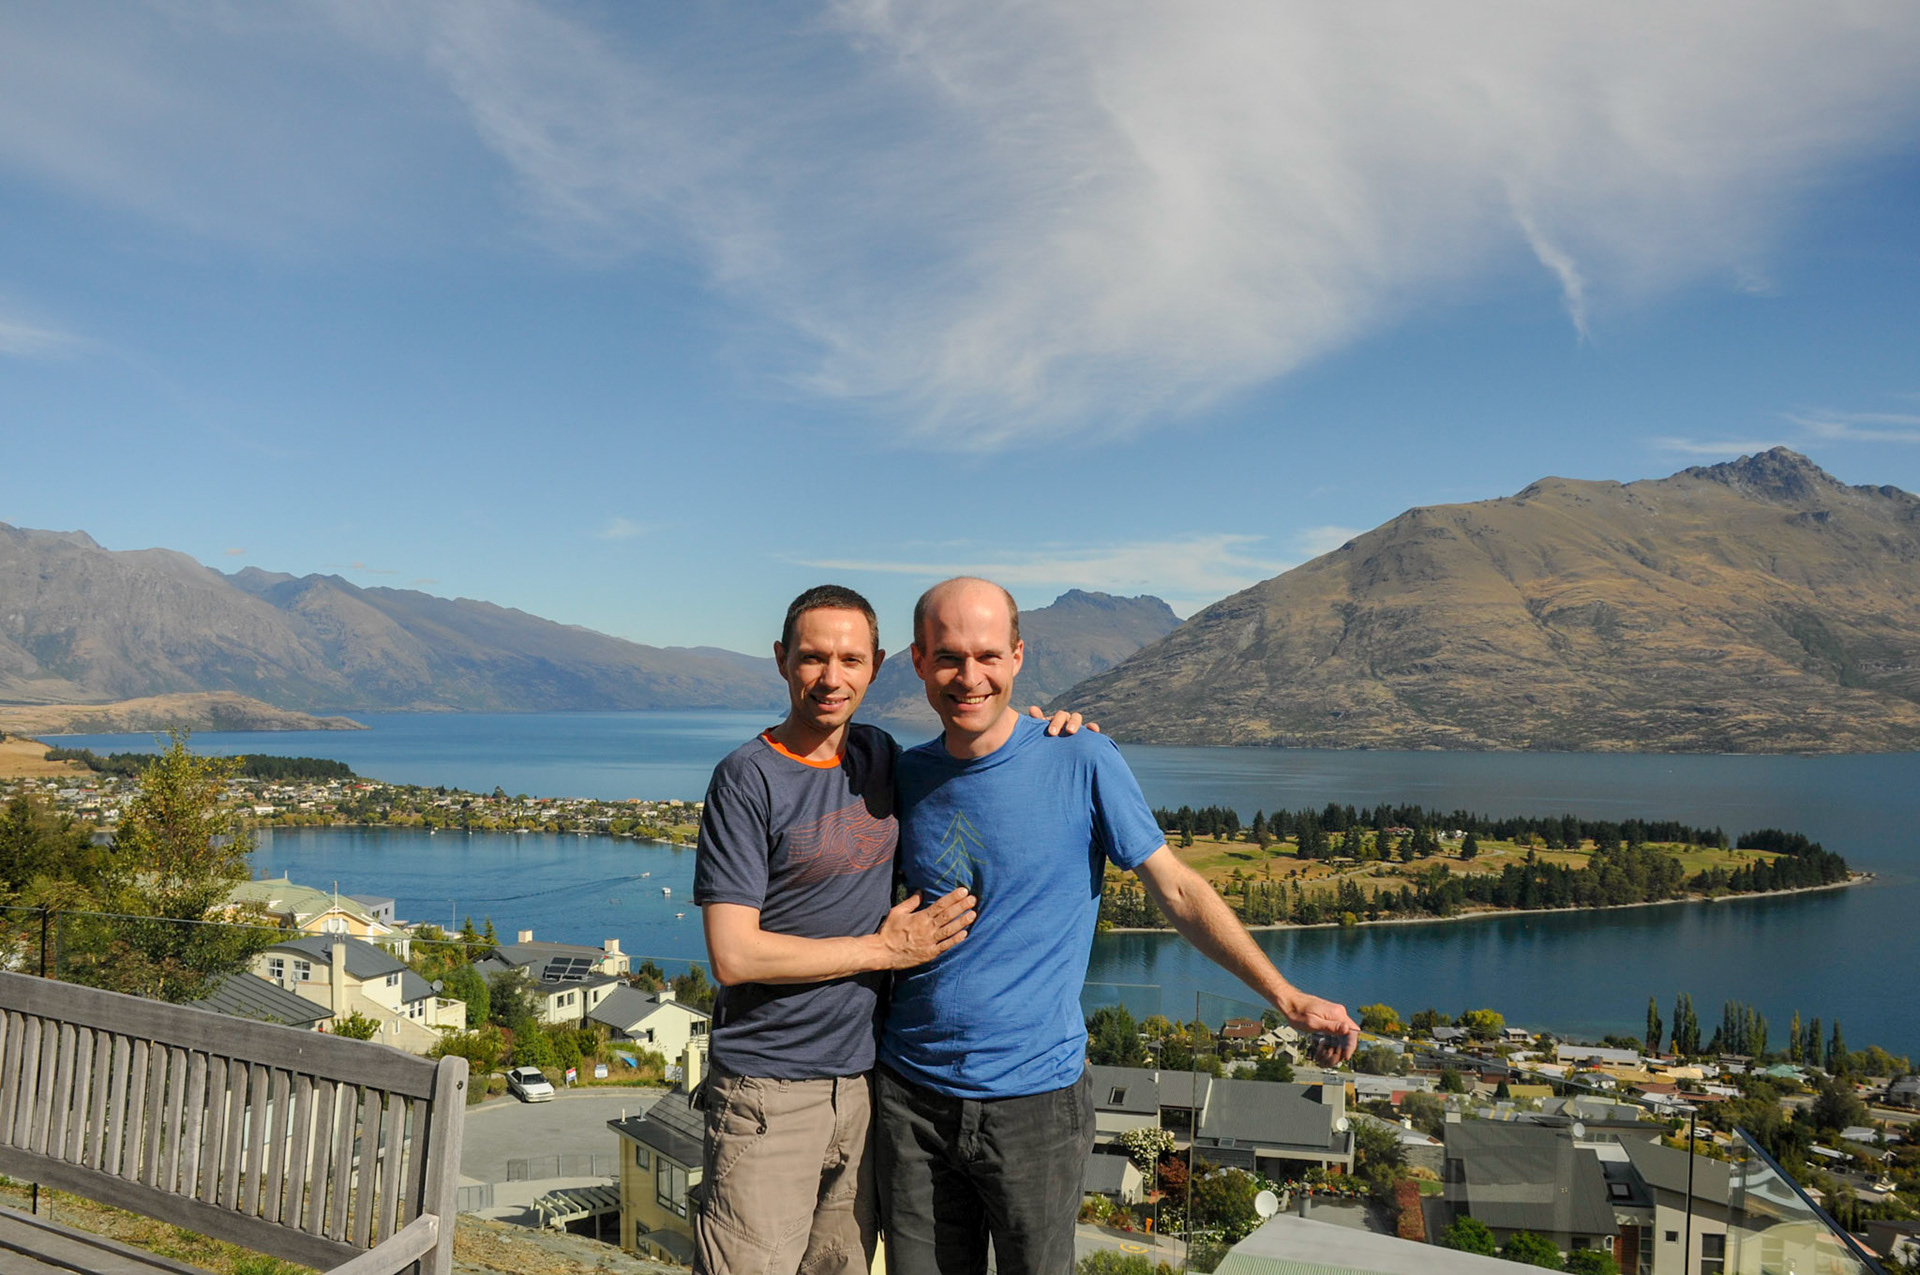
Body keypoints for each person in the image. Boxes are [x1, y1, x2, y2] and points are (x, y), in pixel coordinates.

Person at [875, 577, 1362, 1275]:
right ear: (919, 661)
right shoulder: (907, 776)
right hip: (911, 1098)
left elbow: (1179, 890)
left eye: (988, 655)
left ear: (1018, 656)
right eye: (948, 657)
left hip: (1034, 1105)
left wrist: (1285, 995)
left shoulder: (1081, 757)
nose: (969, 676)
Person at [692, 583, 1086, 1275]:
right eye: (812, 657)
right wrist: (884, 949)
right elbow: (733, 954)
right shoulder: (746, 779)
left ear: (877, 666)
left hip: (866, 1087)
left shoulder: (879, 756)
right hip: (768, 1089)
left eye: (850, 659)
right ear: (782, 659)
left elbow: (975, 770)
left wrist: (1043, 735)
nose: (831, 678)